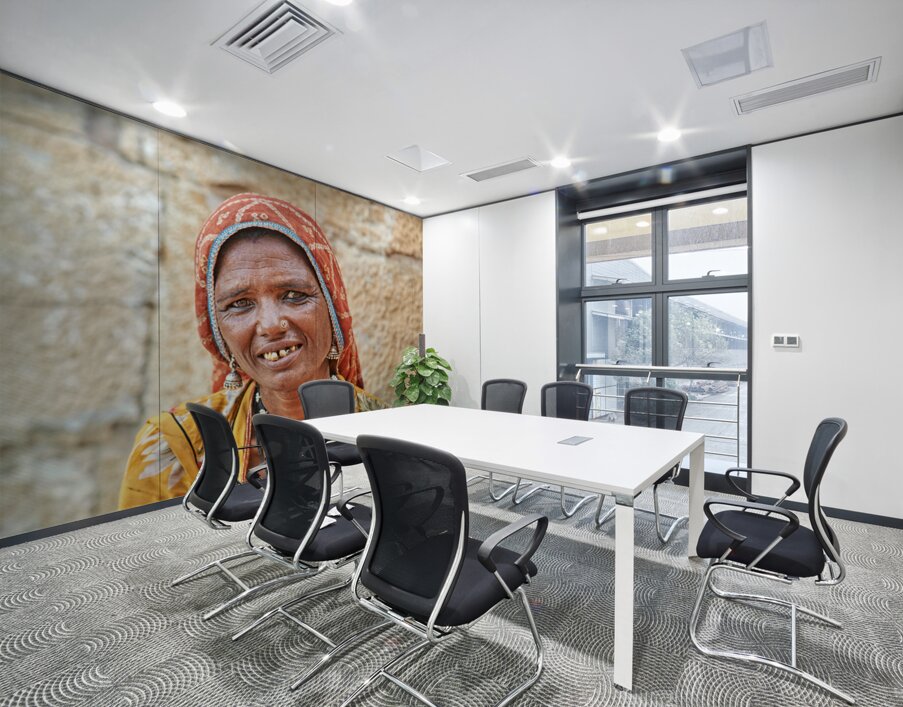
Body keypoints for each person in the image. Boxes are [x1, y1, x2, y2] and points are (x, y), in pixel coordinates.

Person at [119, 193, 383, 509]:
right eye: (240, 303)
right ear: (218, 330)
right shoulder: (174, 445)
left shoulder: (386, 429)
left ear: (333, 307)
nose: (271, 326)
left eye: (294, 295)